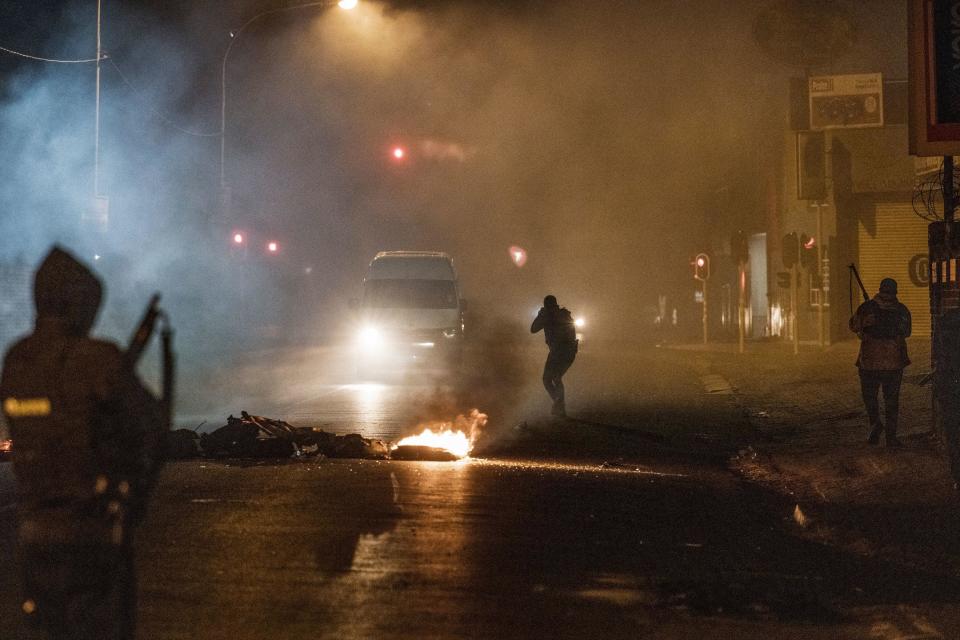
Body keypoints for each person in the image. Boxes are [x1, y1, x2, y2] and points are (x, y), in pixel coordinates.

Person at [0, 246, 166, 640]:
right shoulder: (99, 359)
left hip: (33, 534)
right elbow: (150, 426)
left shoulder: (17, 358)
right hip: (91, 532)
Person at [849, 277, 911, 447]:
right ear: (895, 292)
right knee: (892, 400)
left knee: (870, 396)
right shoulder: (902, 310)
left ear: (880, 290)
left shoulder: (867, 307)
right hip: (894, 362)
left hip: (869, 361)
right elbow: (907, 332)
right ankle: (891, 437)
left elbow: (853, 326)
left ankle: (875, 423)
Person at [530, 295, 578, 417]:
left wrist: (541, 315)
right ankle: (560, 406)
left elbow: (533, 329)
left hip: (558, 351)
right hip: (570, 351)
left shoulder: (547, 316)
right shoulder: (564, 314)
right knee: (556, 377)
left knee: (547, 379)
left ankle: (559, 404)